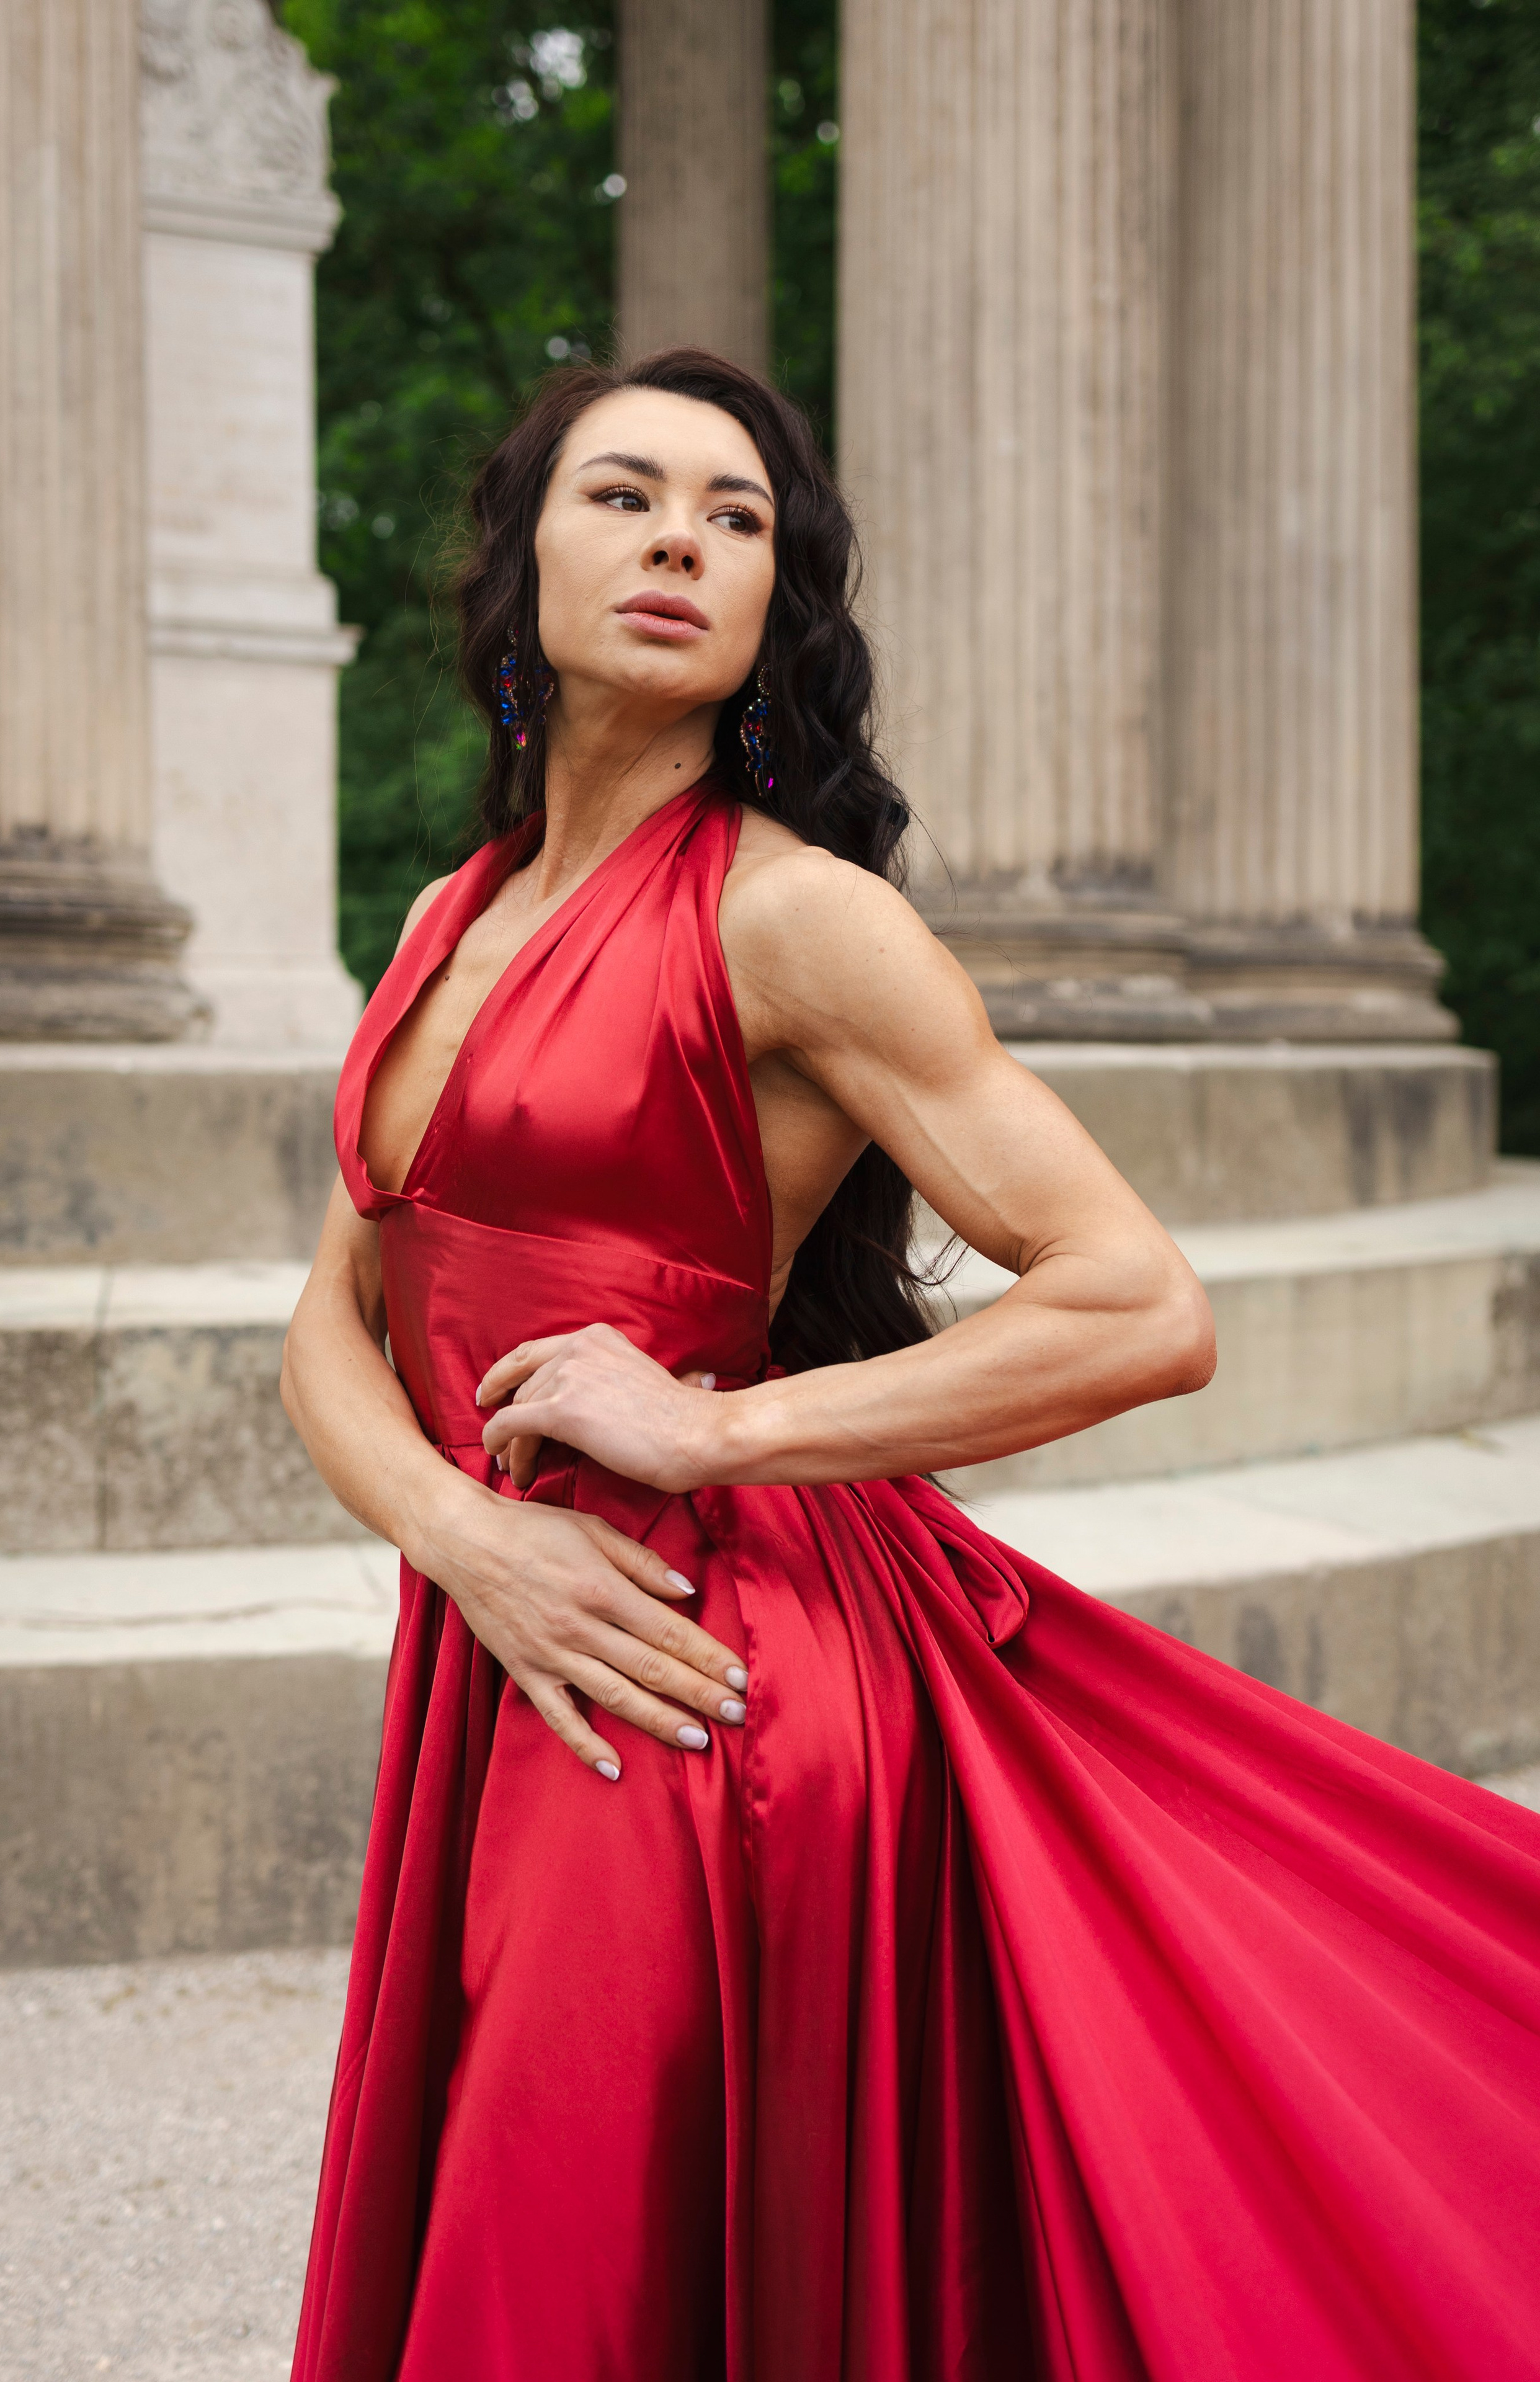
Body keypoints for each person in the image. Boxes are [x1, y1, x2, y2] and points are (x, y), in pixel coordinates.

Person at [282, 349, 1540, 2382]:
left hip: (702, 1683)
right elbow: (332, 1323)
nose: (684, 534)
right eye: (623, 496)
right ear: (516, 566)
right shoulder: (442, 918)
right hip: (514, 1628)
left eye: (740, 515)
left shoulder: (800, 922)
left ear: (781, 605)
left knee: (565, 2289)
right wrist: (456, 1533)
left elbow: (1139, 1300)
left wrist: (715, 1424)